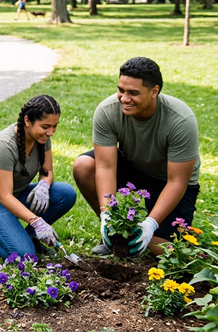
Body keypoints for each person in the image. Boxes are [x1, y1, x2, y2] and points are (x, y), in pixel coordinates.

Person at [72, 57, 200, 257]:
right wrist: (107, 215)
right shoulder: (107, 111)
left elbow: (177, 181)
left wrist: (150, 224)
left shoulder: (181, 120)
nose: (124, 98)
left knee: (163, 250)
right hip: (134, 168)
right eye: (121, 90)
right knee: (84, 165)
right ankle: (114, 235)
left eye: (133, 93)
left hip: (168, 181)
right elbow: (105, 167)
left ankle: (148, 231)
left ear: (154, 91)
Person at [0, 95, 76, 258]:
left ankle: (30, 237)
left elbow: (47, 172)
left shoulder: (42, 137)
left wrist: (43, 186)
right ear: (27, 121)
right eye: (45, 126)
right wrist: (36, 221)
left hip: (14, 195)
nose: (50, 132)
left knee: (66, 194)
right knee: (26, 256)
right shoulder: (4, 145)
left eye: (54, 126)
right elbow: (5, 196)